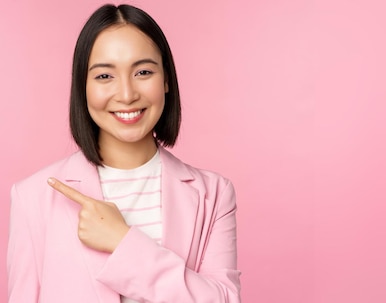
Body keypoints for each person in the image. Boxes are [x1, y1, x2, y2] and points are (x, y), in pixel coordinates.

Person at [7, 4, 241, 302]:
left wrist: (123, 243)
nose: (127, 95)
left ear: (166, 80)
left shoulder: (214, 194)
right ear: (83, 86)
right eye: (105, 76)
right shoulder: (33, 198)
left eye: (143, 72)